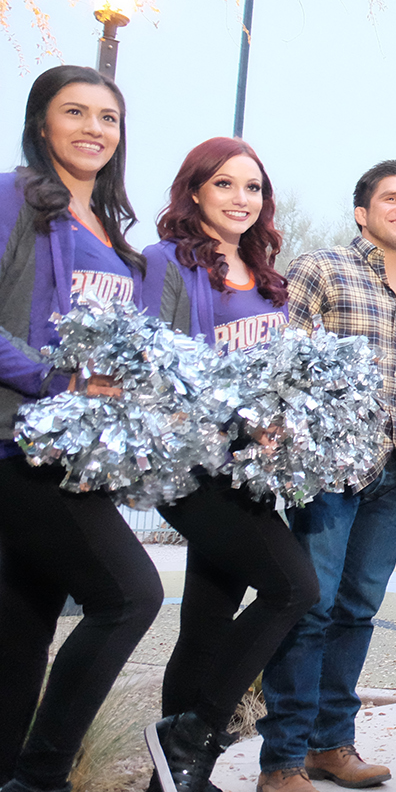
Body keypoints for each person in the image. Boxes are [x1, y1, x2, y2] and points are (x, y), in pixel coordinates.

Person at [0, 64, 164, 792]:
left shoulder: (110, 228)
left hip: (77, 455)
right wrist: (51, 378)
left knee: (22, 632)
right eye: (76, 112)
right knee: (130, 594)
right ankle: (42, 778)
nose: (94, 128)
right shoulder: (15, 197)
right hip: (19, 439)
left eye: (108, 117)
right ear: (42, 123)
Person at [256, 160, 396, 792]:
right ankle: (281, 759)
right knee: (312, 607)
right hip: (329, 471)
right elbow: (287, 353)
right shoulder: (322, 269)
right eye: (391, 198)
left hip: (394, 471)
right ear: (362, 212)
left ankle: (332, 746)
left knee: (359, 610)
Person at [138, 138, 319, 792]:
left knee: (208, 620)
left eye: (253, 188)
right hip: (189, 466)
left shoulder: (270, 280)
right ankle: (193, 732)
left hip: (247, 473)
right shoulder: (164, 264)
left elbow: (272, 379)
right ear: (195, 191)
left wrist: (280, 426)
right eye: (225, 185)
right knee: (294, 587)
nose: (241, 199)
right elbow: (151, 364)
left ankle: (177, 780)